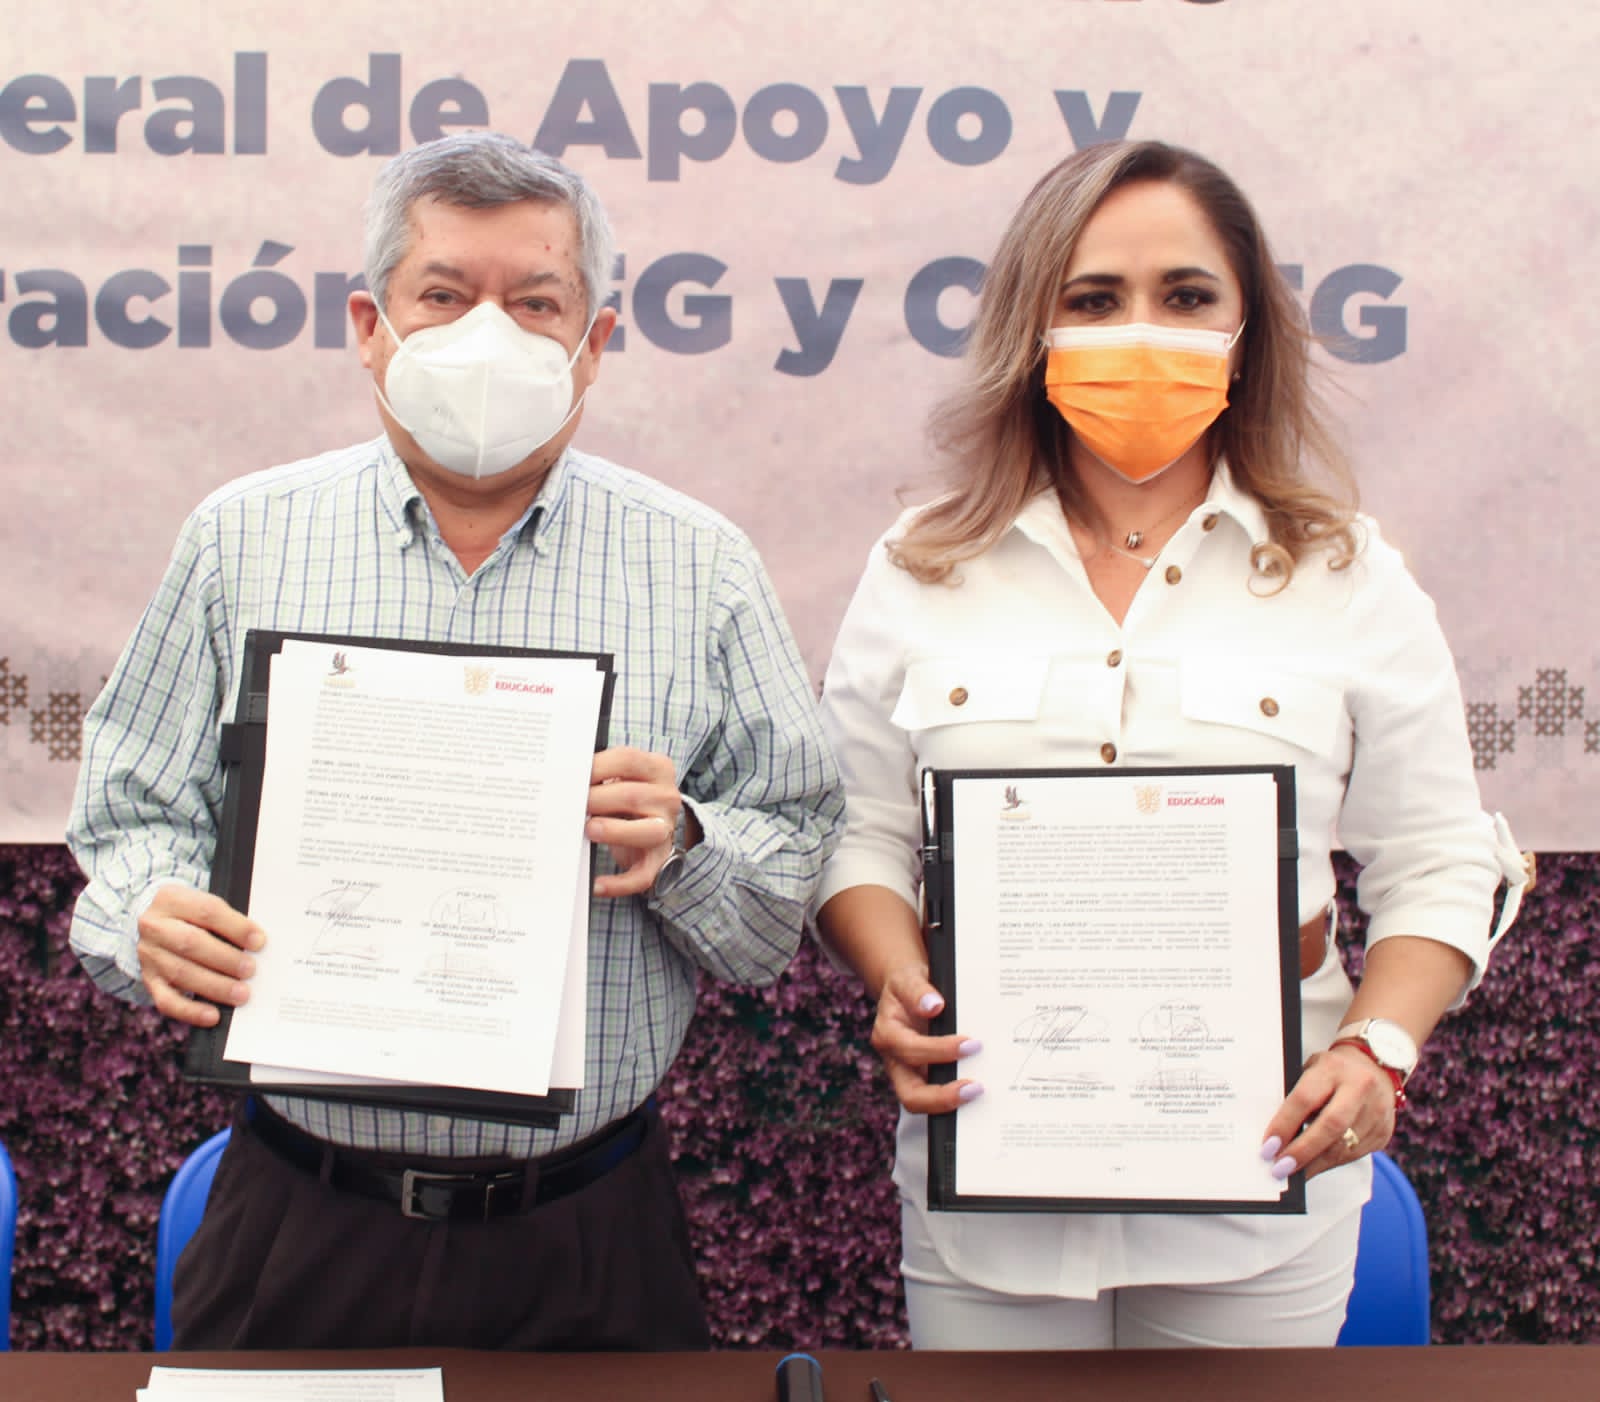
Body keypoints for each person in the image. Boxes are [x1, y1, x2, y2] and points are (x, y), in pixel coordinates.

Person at [66, 131, 844, 1351]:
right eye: (444, 294)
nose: (491, 335)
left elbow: (784, 881)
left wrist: (686, 841)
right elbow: (131, 812)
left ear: (594, 343)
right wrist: (149, 912)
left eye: (536, 303)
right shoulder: (242, 540)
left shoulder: (701, 569)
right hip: (301, 1221)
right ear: (370, 326)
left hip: (589, 1237)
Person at [814, 139, 1524, 1349]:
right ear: (1033, 330)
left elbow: (1440, 857)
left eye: (1186, 296)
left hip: (1261, 1190)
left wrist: (1378, 1048)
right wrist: (897, 981)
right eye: (1093, 300)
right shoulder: (921, 565)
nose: (1141, 330)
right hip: (989, 1178)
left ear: (1244, 331)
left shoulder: (1345, 574)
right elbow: (861, 831)